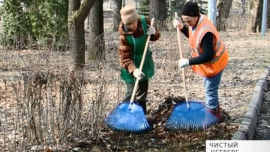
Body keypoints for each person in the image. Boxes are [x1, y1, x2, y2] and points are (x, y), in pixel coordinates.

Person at [173, 2, 228, 121]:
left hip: (215, 63)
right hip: (209, 64)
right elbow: (193, 34)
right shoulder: (196, 23)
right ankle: (217, 113)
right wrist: (182, 27)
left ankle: (212, 117)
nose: (187, 23)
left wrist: (188, 61)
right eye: (184, 21)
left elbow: (208, 55)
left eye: (188, 21)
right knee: (209, 88)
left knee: (210, 89)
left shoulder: (205, 31)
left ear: (196, 16)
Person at [118, 5, 160, 114]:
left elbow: (155, 37)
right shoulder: (124, 35)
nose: (132, 25)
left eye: (133, 22)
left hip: (144, 62)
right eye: (129, 24)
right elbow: (124, 57)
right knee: (130, 93)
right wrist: (133, 70)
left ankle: (142, 116)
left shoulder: (144, 21)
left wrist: (154, 33)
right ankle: (125, 116)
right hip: (130, 66)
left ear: (137, 18)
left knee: (142, 92)